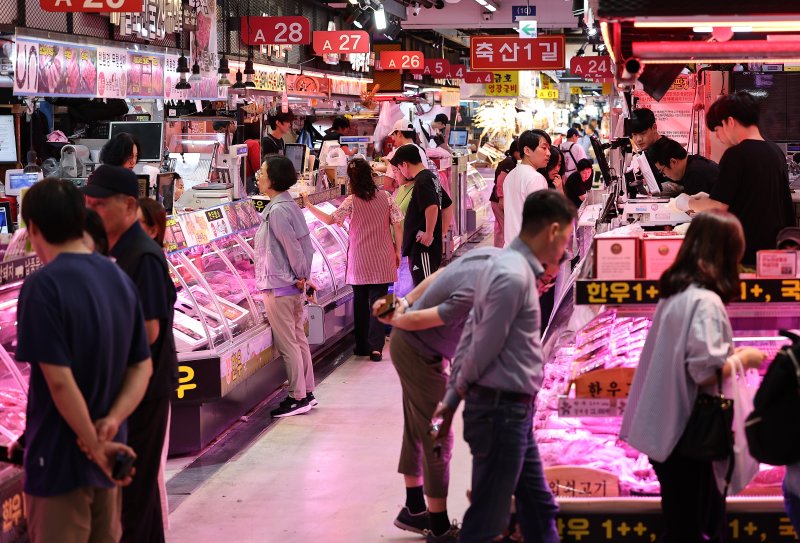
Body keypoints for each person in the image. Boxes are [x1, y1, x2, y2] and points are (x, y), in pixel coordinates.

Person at [434, 190, 575, 543]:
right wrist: (451, 403)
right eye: (567, 238)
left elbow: (471, 334)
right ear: (553, 230)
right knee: (486, 521)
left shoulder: (505, 265)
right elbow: (482, 345)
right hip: (501, 411)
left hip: (513, 410)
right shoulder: (513, 276)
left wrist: (451, 400)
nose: (565, 249)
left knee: (540, 507)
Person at [619, 210, 767, 543]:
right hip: (689, 436)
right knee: (695, 527)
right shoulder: (706, 302)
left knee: (681, 523)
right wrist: (746, 358)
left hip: (667, 434)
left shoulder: (678, 293)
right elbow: (705, 371)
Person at [18, 178, 152, 543]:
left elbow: (59, 381)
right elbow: (142, 366)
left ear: (33, 228)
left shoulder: (43, 285)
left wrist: (94, 447)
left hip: (60, 464)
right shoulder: (117, 276)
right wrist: (112, 422)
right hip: (110, 462)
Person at [375, 246, 500, 543]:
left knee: (420, 426)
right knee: (437, 432)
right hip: (418, 351)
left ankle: (415, 508)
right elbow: (417, 320)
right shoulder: (487, 286)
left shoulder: (491, 257)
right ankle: (440, 527)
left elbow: (442, 274)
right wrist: (395, 312)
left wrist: (403, 301)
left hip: (421, 348)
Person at [83, 165, 178, 543]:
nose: (92, 212)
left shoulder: (143, 255)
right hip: (127, 388)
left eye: (100, 205)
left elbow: (150, 330)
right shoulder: (112, 249)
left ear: (127, 206)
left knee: (134, 494)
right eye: (87, 204)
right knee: (139, 497)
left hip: (145, 389)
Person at [303, 158, 403, 361]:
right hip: (383, 255)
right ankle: (377, 347)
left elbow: (331, 219)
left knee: (360, 302)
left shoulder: (352, 201)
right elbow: (398, 224)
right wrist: (398, 250)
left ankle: (363, 345)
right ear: (371, 175)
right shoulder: (386, 197)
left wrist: (308, 204)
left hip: (360, 259)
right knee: (382, 301)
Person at [684, 91, 795, 266]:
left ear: (729, 122)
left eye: (717, 130)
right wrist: (708, 198)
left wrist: (687, 203)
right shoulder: (775, 151)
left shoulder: (736, 155)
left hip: (744, 251)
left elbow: (718, 207)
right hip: (775, 252)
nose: (719, 138)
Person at [254, 156, 316, 417]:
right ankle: (307, 391)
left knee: (288, 343)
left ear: (274, 179)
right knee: (298, 339)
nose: (258, 175)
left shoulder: (278, 211)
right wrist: (302, 278)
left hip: (280, 285)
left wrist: (300, 276)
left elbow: (293, 247)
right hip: (290, 285)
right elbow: (303, 245)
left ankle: (297, 396)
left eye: (263, 172)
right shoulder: (286, 205)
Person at [390, 144, 452, 286]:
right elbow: (447, 205)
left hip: (422, 249)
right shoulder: (430, 177)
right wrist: (441, 232)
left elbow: (432, 207)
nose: (400, 172)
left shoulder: (422, 181)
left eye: (399, 169)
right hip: (423, 248)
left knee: (424, 288)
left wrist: (429, 234)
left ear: (405, 164)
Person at [502, 129, 551, 246]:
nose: (548, 153)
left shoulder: (511, 175)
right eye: (544, 148)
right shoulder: (536, 178)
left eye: (549, 148)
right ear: (527, 150)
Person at [649, 137, 719, 196]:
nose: (665, 175)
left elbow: (694, 209)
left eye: (662, 171)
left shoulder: (695, 173)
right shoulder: (693, 163)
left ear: (673, 162)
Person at [630, 108, 670, 191]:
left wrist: (648, 189)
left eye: (643, 133)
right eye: (634, 134)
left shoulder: (667, 150)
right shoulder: (648, 150)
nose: (638, 139)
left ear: (654, 128)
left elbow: (678, 185)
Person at [490, 141, 520, 248]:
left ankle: (498, 251)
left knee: (500, 228)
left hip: (497, 199)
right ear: (516, 151)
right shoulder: (509, 162)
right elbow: (500, 181)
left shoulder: (512, 162)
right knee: (505, 228)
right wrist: (501, 198)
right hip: (498, 200)